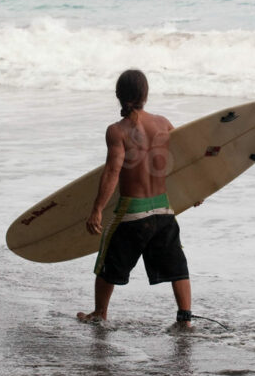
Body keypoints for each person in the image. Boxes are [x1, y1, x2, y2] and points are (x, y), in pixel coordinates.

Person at [79, 69, 193, 327]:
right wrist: (194, 191)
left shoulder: (117, 131)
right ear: (145, 94)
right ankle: (184, 319)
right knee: (177, 264)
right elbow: (185, 160)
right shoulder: (163, 123)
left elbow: (112, 171)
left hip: (132, 213)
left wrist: (97, 209)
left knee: (108, 263)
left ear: (118, 95)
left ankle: (99, 313)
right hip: (163, 210)